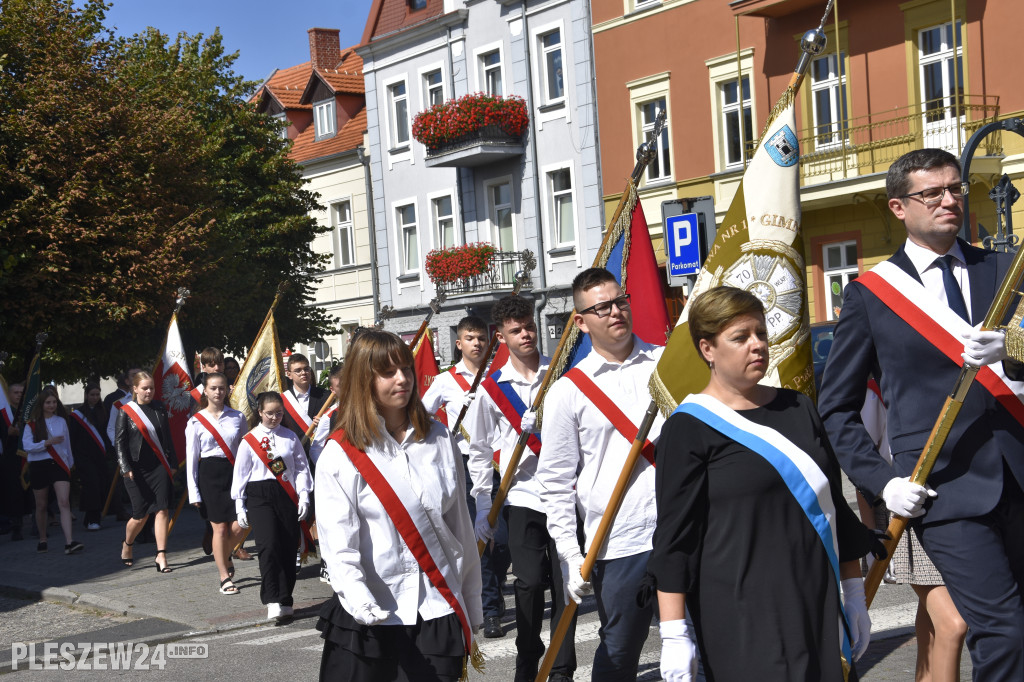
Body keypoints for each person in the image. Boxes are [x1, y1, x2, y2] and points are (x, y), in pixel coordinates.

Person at [818, 148, 1024, 681]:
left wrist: (1014, 347)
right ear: (897, 207)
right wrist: (882, 484)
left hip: (1019, 469)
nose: (948, 201)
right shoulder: (871, 294)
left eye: (955, 189)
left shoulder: (1003, 268)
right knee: (1003, 630)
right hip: (945, 488)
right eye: (930, 193)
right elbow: (837, 408)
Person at [649, 286, 875, 681]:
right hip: (740, 609)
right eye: (740, 338)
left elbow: (833, 508)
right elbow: (675, 537)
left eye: (761, 333)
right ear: (707, 349)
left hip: (815, 597)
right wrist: (673, 632)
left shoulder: (798, 407)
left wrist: (853, 593)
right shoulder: (688, 428)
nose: (757, 345)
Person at [314, 330, 482, 682]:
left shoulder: (440, 438)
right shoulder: (340, 453)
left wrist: (471, 603)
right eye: (388, 372)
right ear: (363, 378)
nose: (403, 379)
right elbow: (338, 544)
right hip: (370, 616)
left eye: (406, 368)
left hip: (436, 608)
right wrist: (361, 602)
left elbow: (460, 529)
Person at [535, 267, 663, 680]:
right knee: (620, 651)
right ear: (580, 321)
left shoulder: (666, 365)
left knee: (701, 638)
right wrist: (571, 556)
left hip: (682, 527)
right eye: (601, 307)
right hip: (619, 541)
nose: (615, 312)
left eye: (620, 301)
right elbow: (554, 484)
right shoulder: (568, 391)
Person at [465, 298, 576, 680]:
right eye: (516, 330)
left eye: (528, 326)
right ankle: (527, 660)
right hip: (523, 497)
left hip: (566, 494)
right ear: (502, 336)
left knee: (566, 586)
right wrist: (482, 506)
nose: (526, 334)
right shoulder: (491, 389)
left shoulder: (561, 374)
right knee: (528, 582)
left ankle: (562, 669)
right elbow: (478, 451)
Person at [859, 381, 967, 682]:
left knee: (932, 617)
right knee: (954, 622)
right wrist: (871, 535)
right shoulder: (872, 391)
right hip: (902, 513)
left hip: (951, 506)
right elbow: (863, 470)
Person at [422, 314, 511, 640]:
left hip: (503, 462)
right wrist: (446, 431)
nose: (477, 343)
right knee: (482, 537)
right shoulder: (447, 381)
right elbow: (420, 416)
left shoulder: (498, 376)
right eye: (470, 338)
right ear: (459, 343)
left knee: (504, 541)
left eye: (481, 339)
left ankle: (496, 586)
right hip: (467, 465)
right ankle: (489, 610)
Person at [231, 391, 311, 623]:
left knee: (288, 545)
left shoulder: (290, 437)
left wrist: (304, 495)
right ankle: (272, 598)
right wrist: (239, 505)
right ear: (259, 412)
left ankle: (286, 599)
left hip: (286, 494)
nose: (274, 418)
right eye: (269, 413)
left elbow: (301, 468)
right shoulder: (250, 440)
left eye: (279, 413)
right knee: (268, 546)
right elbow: (241, 474)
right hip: (259, 495)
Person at [185, 372, 249, 595]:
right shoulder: (195, 421)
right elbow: (192, 460)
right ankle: (224, 576)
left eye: (222, 388)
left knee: (240, 524)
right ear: (205, 390)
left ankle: (225, 553)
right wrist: (193, 492)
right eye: (213, 388)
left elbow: (246, 450)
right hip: (209, 476)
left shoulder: (238, 417)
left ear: (228, 390)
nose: (218, 392)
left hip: (234, 472)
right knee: (219, 528)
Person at [116, 371, 176, 572]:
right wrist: (125, 468)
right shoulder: (125, 411)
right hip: (136, 469)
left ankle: (161, 555)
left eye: (151, 387)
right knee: (140, 515)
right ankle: (128, 544)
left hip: (159, 465)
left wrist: (173, 462)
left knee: (162, 509)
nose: (149, 391)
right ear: (134, 389)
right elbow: (120, 443)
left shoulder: (159, 407)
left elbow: (167, 437)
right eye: (144, 388)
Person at [22, 386, 84, 555]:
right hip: (39, 465)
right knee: (41, 505)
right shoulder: (32, 424)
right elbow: (27, 447)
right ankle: (43, 539)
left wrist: (70, 463)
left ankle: (69, 542)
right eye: (48, 402)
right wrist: (47, 443)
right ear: (42, 404)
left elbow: (67, 445)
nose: (51, 405)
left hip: (58, 465)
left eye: (54, 402)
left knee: (64, 502)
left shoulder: (61, 421)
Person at [69, 383, 109, 530]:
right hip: (83, 457)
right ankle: (93, 519)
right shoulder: (77, 415)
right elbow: (73, 437)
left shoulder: (103, 412)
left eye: (97, 395)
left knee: (99, 485)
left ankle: (89, 517)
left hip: (99, 456)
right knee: (91, 485)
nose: (95, 397)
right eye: (92, 395)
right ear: (86, 395)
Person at [281, 353, 329, 454]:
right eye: (298, 370)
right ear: (289, 375)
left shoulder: (325, 396)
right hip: (294, 454)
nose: (303, 373)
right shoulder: (282, 400)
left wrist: (325, 422)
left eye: (306, 369)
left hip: (320, 453)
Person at [2, 382, 29, 540]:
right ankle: (16, 525)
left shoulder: (28, 411)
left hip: (29, 455)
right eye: (15, 392)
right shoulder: (3, 413)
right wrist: (8, 432)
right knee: (14, 491)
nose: (19, 395)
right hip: (11, 457)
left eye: (21, 392)